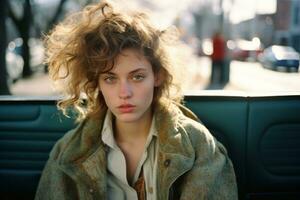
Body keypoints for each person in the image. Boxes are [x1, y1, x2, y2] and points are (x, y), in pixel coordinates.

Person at [35, 1, 238, 199]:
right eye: (110, 78)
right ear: (97, 83)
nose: (124, 92)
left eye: (137, 76)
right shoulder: (68, 151)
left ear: (157, 76)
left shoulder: (198, 146)